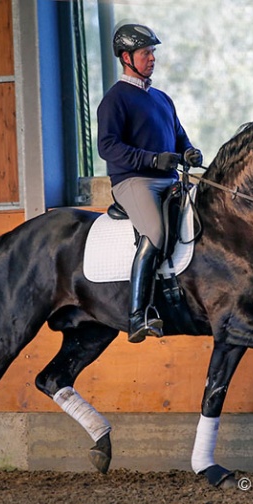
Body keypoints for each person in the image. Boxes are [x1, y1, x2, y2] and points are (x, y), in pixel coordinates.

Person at [97, 24, 203, 343]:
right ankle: (137, 315)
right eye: (146, 53)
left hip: (169, 179)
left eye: (153, 52)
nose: (152, 58)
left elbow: (179, 135)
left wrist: (188, 151)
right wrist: (152, 160)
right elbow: (107, 146)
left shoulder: (161, 98)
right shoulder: (115, 100)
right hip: (134, 181)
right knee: (154, 232)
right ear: (127, 58)